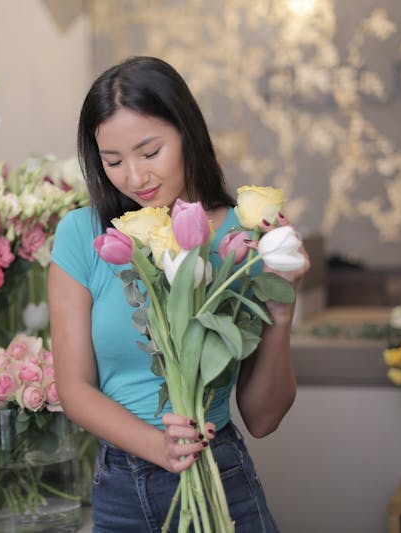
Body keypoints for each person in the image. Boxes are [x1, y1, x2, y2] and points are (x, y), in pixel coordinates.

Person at [48, 56, 309, 533]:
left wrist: (282, 314)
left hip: (220, 473)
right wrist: (157, 446)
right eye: (113, 161)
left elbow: (263, 418)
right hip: (122, 488)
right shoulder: (83, 236)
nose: (134, 177)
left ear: (187, 132)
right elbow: (74, 389)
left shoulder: (244, 236)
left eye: (150, 152)